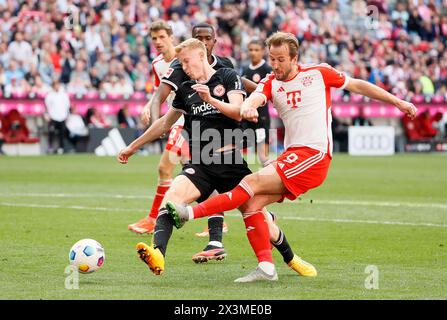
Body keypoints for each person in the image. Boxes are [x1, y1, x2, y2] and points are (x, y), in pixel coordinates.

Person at [166, 32, 418, 282]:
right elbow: (252, 100)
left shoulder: (318, 73)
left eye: (280, 60)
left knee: (249, 184)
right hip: (292, 156)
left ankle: (189, 213)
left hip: (314, 154)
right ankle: (266, 267)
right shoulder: (270, 82)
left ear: (294, 57)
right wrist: (248, 108)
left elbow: (358, 85)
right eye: (271, 59)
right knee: (252, 205)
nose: (274, 65)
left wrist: (398, 101)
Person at [118, 38, 316, 279]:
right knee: (172, 198)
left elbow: (238, 111)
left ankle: (291, 258)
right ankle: (157, 253)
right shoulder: (186, 89)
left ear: (201, 56)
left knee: (262, 220)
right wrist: (133, 146)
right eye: (181, 63)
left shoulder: (227, 76)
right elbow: (164, 123)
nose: (184, 67)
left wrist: (210, 99)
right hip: (200, 164)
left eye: (186, 61)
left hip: (230, 164)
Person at [129, 22, 257, 263]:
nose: (205, 42)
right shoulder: (178, 69)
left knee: (254, 211)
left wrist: (265, 92)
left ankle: (282, 254)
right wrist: (144, 135)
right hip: (191, 139)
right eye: (200, 37)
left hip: (227, 155)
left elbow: (240, 99)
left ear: (211, 43)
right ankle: (163, 249)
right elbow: (160, 97)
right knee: (180, 188)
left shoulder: (225, 69)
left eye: (208, 38)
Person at [241, 39, 273, 166]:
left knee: (262, 155)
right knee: (237, 145)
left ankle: (267, 174)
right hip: (245, 116)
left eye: (256, 50)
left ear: (263, 51)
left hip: (261, 117)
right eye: (251, 50)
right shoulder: (245, 70)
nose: (253, 53)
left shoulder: (267, 69)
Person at [44, 81, 70, 154]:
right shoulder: (49, 95)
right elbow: (46, 106)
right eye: (55, 85)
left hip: (62, 117)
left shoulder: (64, 95)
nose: (57, 86)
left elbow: (67, 106)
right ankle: (50, 147)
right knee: (51, 133)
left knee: (61, 134)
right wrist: (47, 115)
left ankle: (61, 148)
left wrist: (67, 115)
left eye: (58, 85)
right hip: (53, 117)